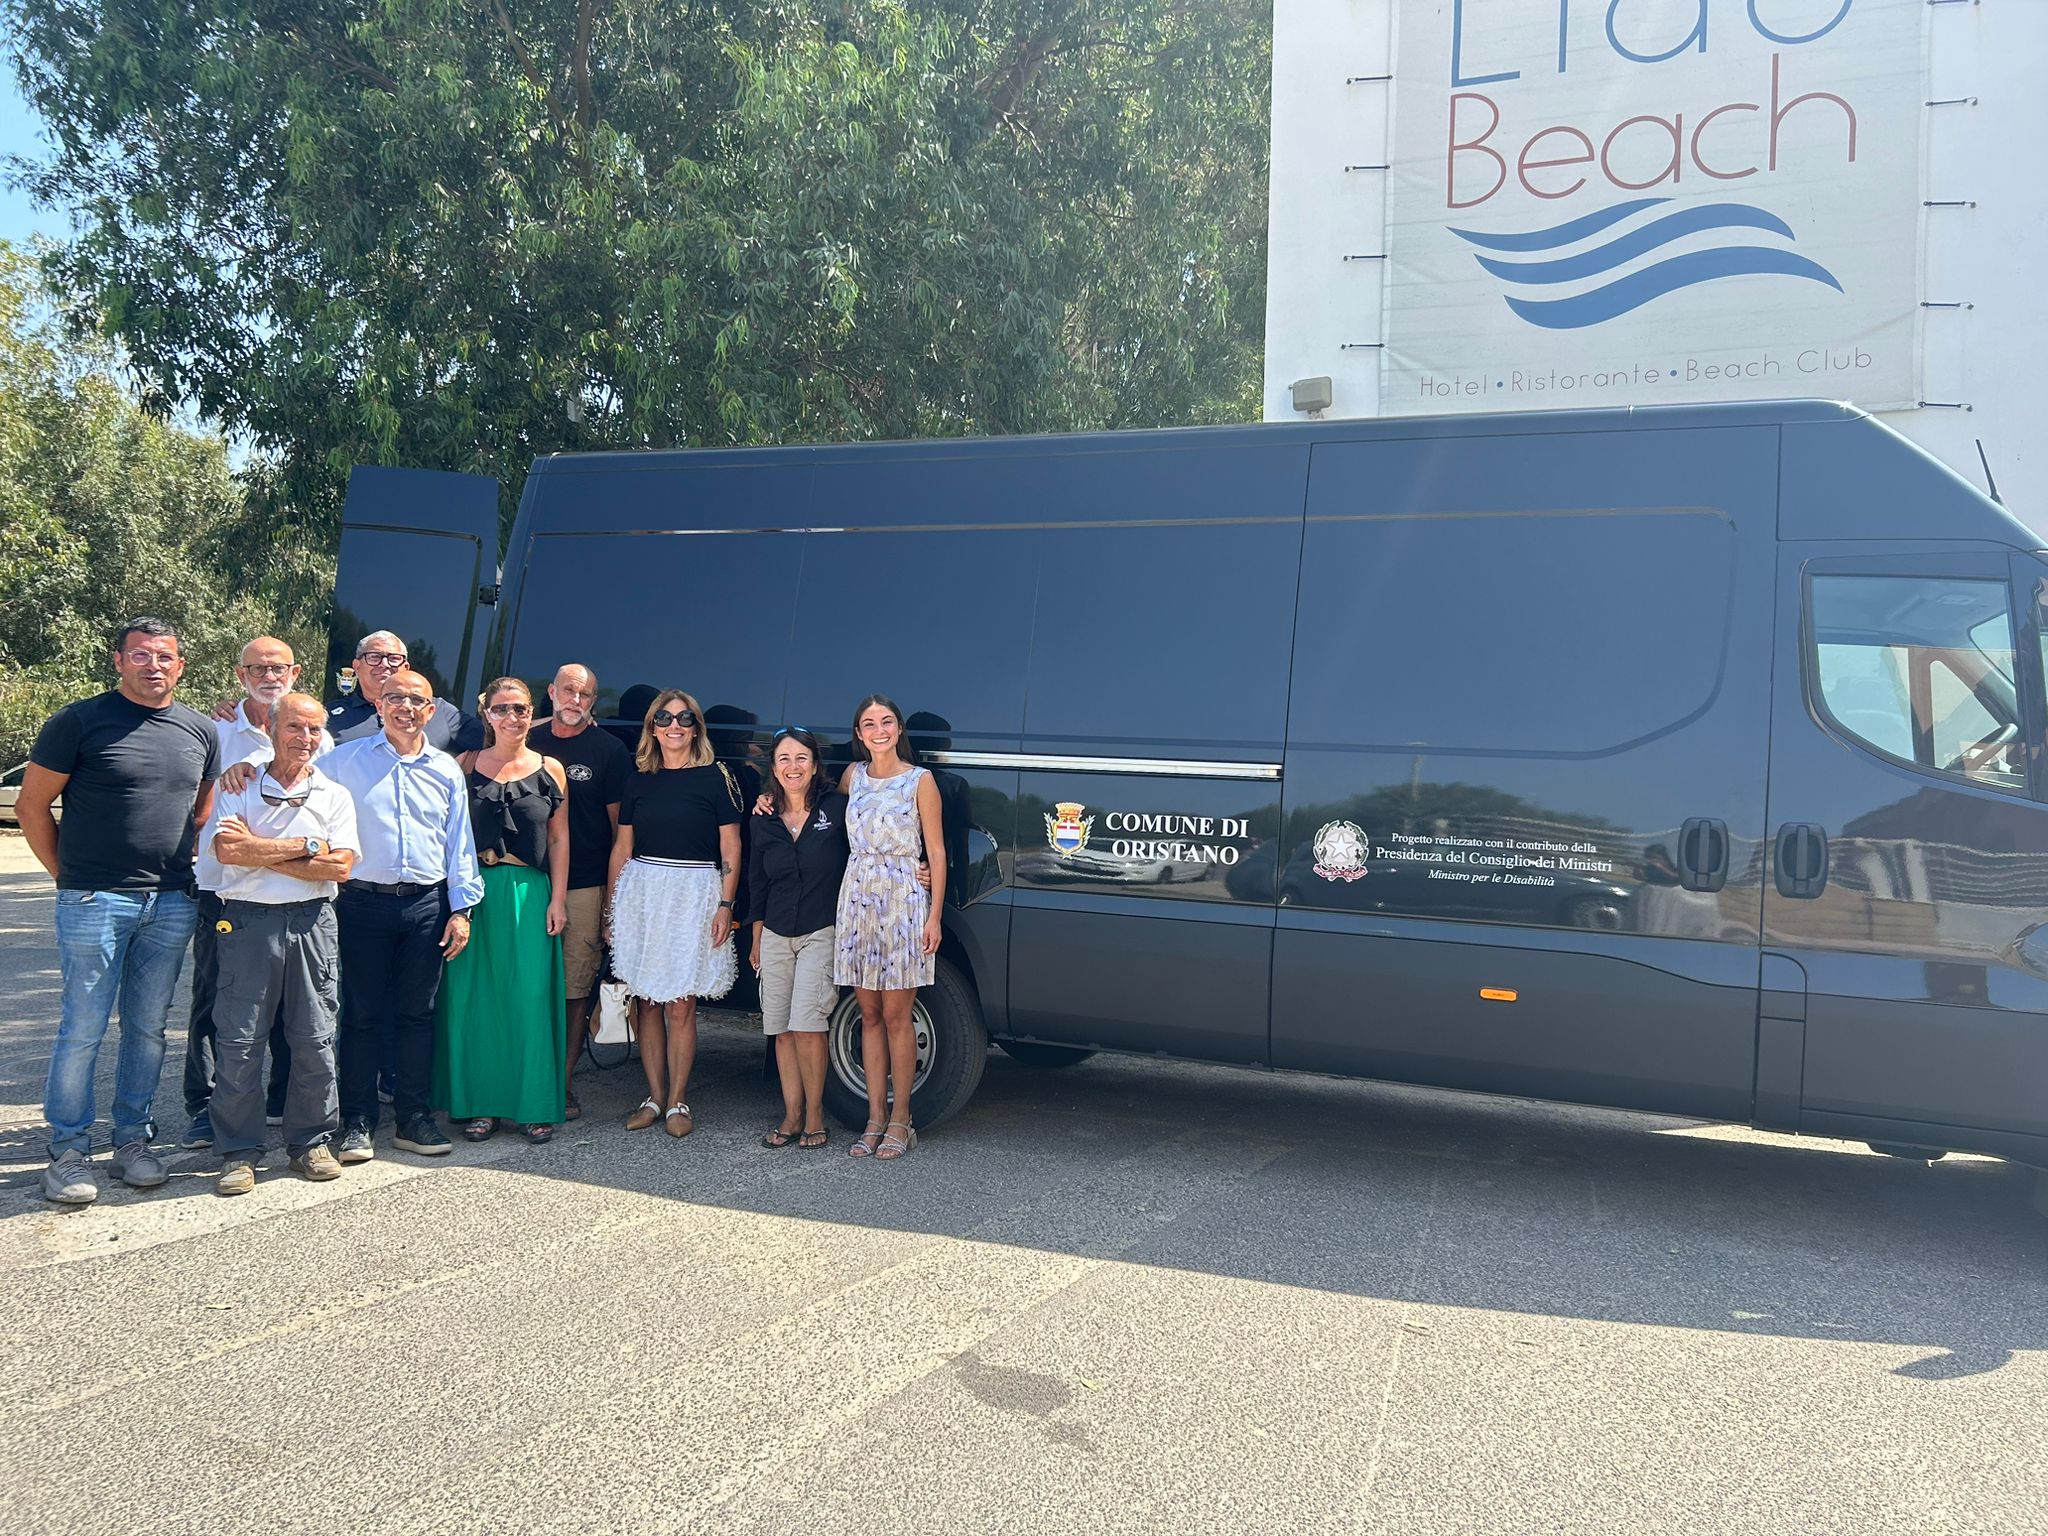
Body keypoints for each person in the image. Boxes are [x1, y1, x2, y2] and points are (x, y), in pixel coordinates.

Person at [17, 618, 220, 1204]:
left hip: (171, 900)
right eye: (141, 655)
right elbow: (32, 806)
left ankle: (133, 1140)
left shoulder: (200, 730)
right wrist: (69, 878)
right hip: (94, 899)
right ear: (119, 661)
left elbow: (200, 813)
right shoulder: (79, 722)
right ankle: (68, 1151)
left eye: (165, 656)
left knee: (148, 1028)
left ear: (180, 665)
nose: (154, 665)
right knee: (83, 1026)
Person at [318, 668, 483, 1160]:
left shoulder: (446, 769)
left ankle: (413, 1118)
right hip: (361, 902)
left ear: (430, 711)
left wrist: (462, 908)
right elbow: (296, 791)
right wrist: (245, 772)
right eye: (395, 698)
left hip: (426, 907)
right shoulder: (342, 761)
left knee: (417, 1015)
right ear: (379, 705)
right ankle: (358, 1121)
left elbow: (459, 842)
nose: (405, 708)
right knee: (362, 1015)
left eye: (416, 700)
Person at [183, 636, 333, 1149]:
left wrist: (265, 850)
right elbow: (206, 815)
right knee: (218, 1006)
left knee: (298, 1013)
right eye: (258, 668)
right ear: (240, 674)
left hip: (299, 896)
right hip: (226, 892)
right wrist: (300, 850)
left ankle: (281, 1103)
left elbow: (330, 824)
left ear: (295, 672)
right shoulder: (217, 728)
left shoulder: (319, 735)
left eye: (279, 668)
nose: (270, 676)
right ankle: (205, 1109)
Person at [206, 693, 360, 1194]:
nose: (305, 738)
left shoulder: (334, 795)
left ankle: (311, 1142)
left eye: (314, 729)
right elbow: (228, 850)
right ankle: (238, 1152)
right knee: (240, 1040)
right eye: (295, 727)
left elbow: (340, 867)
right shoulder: (241, 783)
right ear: (272, 729)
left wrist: (260, 850)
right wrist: (306, 846)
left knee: (314, 1037)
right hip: (247, 922)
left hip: (313, 922)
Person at [435, 677, 570, 1143]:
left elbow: (559, 838)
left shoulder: (551, 768)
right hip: (473, 892)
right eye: (501, 709)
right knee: (475, 999)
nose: (512, 717)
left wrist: (557, 899)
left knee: (529, 997)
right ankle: (481, 1105)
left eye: (521, 708)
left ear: (532, 712)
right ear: (487, 715)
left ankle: (532, 1105)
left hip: (529, 892)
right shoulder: (464, 764)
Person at [603, 689, 741, 1138]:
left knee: (681, 1004)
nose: (674, 726)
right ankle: (654, 1096)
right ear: (652, 727)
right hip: (644, 895)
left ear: (696, 727)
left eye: (684, 718)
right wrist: (611, 909)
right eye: (664, 718)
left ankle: (679, 1100)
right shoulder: (638, 779)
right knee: (646, 1001)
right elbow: (622, 847)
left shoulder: (715, 778)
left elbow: (730, 846)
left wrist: (725, 905)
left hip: (694, 895)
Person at [835, 694, 945, 1160]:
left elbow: (936, 850)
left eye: (886, 722)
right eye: (869, 723)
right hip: (858, 895)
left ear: (898, 729)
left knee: (899, 1015)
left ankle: (902, 1120)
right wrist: (767, 800)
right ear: (859, 734)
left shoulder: (920, 781)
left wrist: (934, 915)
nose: (878, 730)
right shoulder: (852, 777)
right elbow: (815, 810)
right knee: (869, 1014)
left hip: (903, 898)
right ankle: (874, 1117)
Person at [528, 663, 630, 1120]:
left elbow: (621, 833)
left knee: (575, 989)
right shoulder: (525, 739)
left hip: (586, 886)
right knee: (526, 985)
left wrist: (612, 902)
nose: (575, 700)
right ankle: (519, 1077)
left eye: (585, 695)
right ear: (551, 692)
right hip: (528, 883)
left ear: (594, 702)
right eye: (568, 691)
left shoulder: (609, 751)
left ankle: (560, 1084)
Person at [746, 727, 845, 1151]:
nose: (793, 766)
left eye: (801, 758)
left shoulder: (837, 808)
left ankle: (816, 1115)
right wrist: (756, 939)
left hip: (821, 929)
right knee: (780, 1029)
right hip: (774, 933)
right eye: (784, 758)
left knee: (807, 1025)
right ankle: (792, 1114)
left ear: (815, 764)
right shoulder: (762, 818)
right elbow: (757, 882)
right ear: (773, 767)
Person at [322, 630, 483, 751]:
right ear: (357, 666)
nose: (384, 664)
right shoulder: (330, 715)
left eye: (394, 658)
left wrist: (457, 765)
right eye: (374, 657)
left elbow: (492, 741)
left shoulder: (438, 710)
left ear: (405, 668)